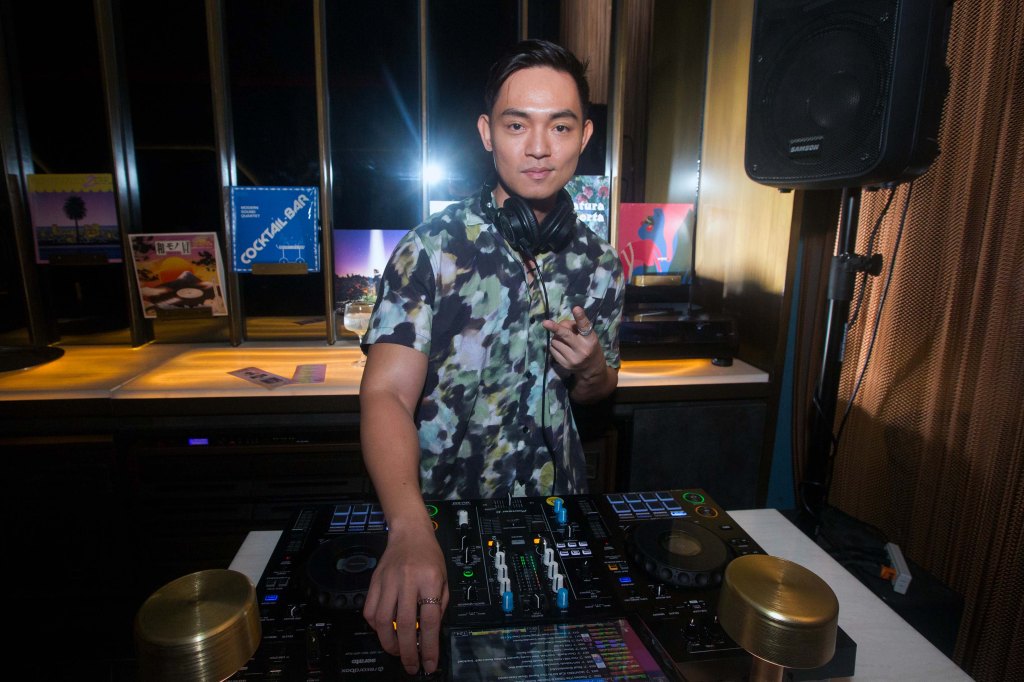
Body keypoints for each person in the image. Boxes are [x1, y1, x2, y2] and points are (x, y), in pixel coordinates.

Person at [358, 39, 625, 676]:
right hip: (439, 523)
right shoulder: (429, 250)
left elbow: (598, 392)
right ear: (487, 133)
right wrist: (409, 528)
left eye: (560, 126)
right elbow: (385, 394)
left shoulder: (602, 263)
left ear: (584, 137)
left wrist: (592, 370)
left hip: (556, 519)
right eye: (517, 125)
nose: (539, 147)